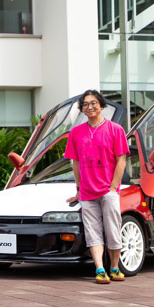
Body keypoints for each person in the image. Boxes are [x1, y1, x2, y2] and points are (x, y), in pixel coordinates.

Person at [64, 89, 129, 284]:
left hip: (108, 191)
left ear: (101, 105)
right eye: (85, 104)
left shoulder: (115, 129)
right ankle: (100, 269)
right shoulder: (76, 133)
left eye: (93, 103)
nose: (89, 107)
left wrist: (113, 187)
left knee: (113, 230)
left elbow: (121, 160)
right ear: (82, 109)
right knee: (93, 232)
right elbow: (75, 163)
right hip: (86, 192)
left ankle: (115, 267)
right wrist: (78, 190)